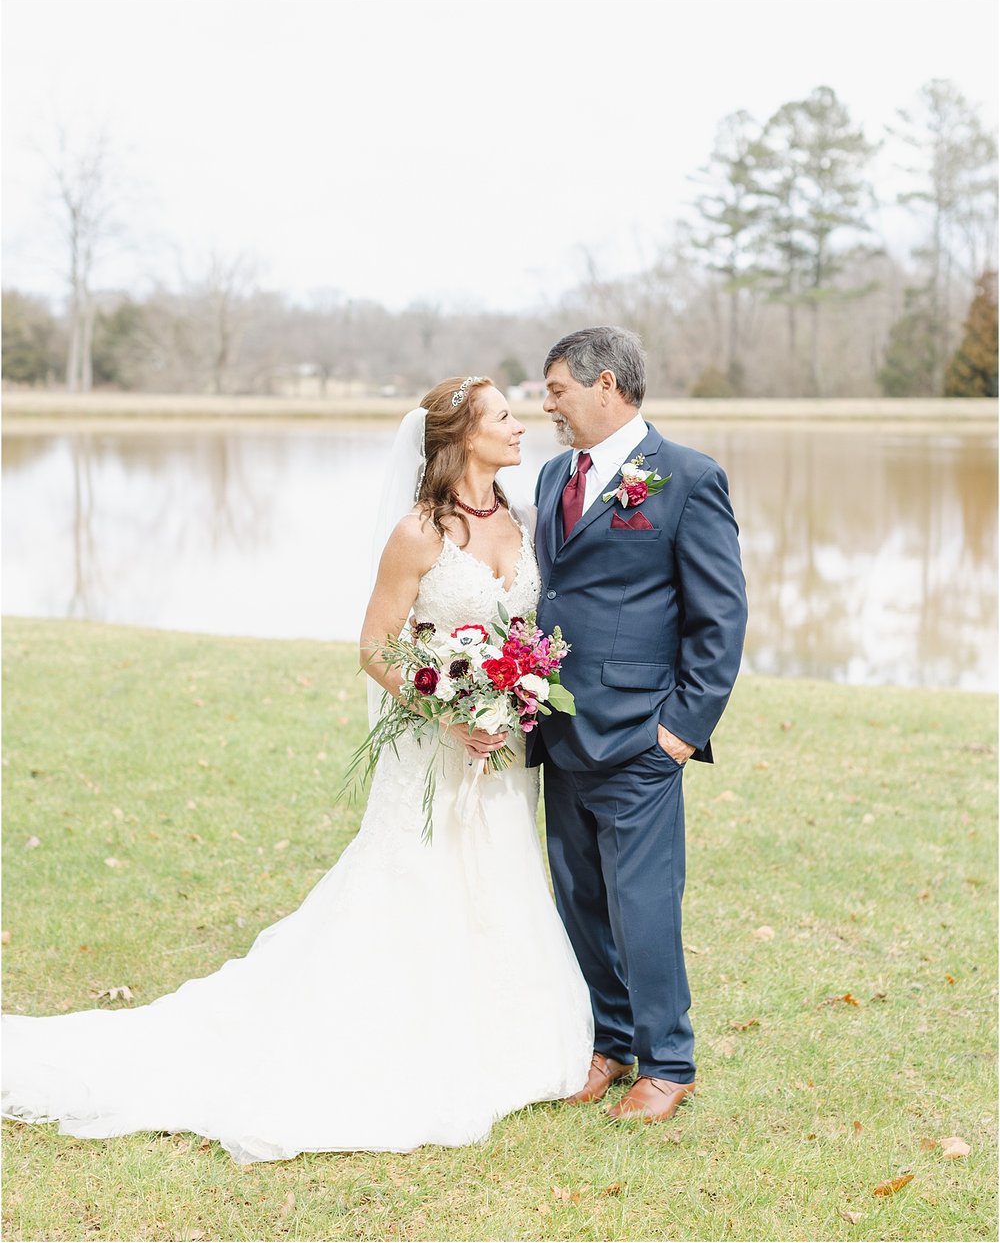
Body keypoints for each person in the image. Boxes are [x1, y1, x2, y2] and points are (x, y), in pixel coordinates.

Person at [2, 376, 592, 1163]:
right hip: (435, 748)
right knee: (421, 884)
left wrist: (511, 692)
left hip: (505, 753)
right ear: (460, 437)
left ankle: (505, 1034)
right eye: (505, 418)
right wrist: (447, 710)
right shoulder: (419, 532)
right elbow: (377, 647)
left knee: (500, 875)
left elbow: (524, 628)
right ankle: (402, 1041)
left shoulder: (520, 521)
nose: (523, 427)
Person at [529, 327, 747, 1122]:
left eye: (556, 388)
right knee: (580, 893)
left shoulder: (687, 478)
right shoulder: (555, 473)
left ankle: (668, 1059)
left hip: (641, 735)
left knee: (643, 900)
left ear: (607, 385)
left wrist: (680, 731)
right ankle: (612, 1040)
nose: (546, 403)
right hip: (558, 729)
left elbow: (719, 618)